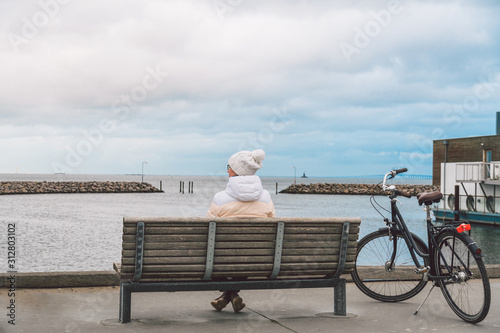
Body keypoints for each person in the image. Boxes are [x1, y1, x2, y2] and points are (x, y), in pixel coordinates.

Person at [207, 149, 275, 312]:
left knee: (218, 253)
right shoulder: (266, 197)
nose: (227, 170)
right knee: (247, 253)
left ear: (236, 171)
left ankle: (227, 295)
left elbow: (207, 230)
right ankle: (231, 295)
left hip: (221, 260)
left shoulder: (220, 199)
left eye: (229, 166)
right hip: (256, 259)